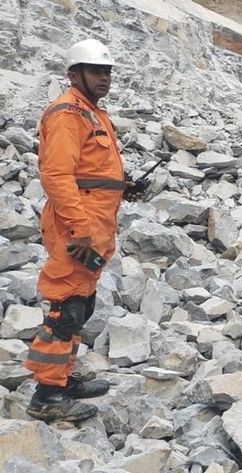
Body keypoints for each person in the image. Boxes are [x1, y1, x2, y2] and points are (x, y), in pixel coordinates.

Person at [24, 39, 135, 421]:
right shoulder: (69, 113)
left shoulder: (92, 113)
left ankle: (62, 379)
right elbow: (56, 175)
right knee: (66, 308)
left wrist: (124, 185)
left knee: (81, 304)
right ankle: (47, 396)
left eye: (107, 72)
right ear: (74, 74)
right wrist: (79, 228)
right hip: (78, 227)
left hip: (94, 225)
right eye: (95, 71)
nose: (104, 78)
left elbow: (93, 171)